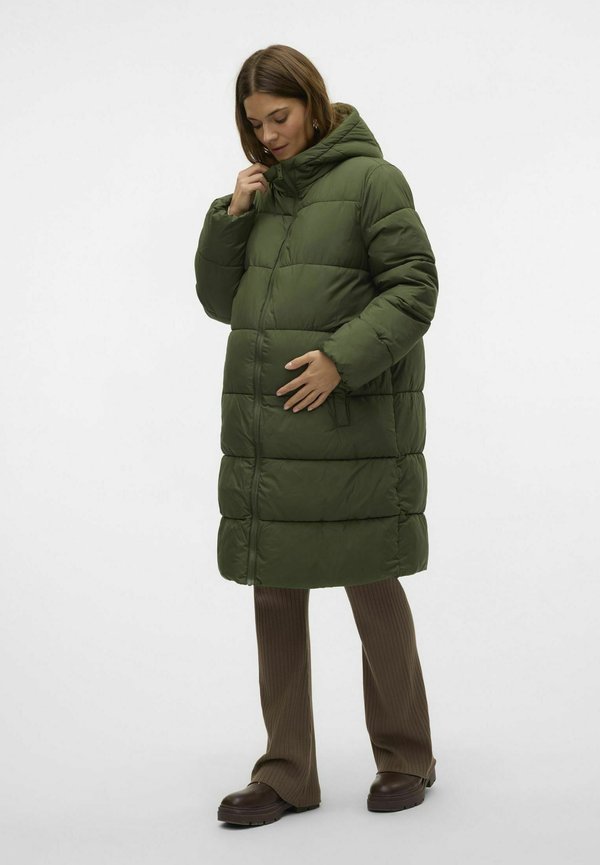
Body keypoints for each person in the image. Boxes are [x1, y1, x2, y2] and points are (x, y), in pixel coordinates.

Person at [194, 44, 439, 826]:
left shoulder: (372, 180)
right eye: (255, 123)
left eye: (280, 116)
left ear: (312, 101)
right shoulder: (262, 195)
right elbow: (220, 302)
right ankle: (287, 770)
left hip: (352, 423)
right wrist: (231, 218)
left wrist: (341, 359)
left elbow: (415, 287)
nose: (268, 135)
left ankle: (406, 754)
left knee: (371, 581)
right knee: (275, 590)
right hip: (272, 430)